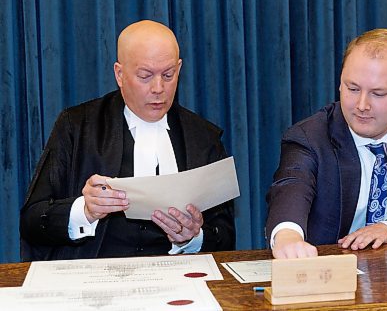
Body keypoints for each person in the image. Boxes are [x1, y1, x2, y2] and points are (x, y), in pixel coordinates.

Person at [20, 20, 235, 261]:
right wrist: (85, 210)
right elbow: (32, 219)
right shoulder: (77, 126)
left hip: (179, 279)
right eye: (145, 76)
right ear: (119, 74)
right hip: (94, 279)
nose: (158, 88)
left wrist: (192, 237)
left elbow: (225, 235)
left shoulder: (203, 136)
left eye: (168, 75)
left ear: (179, 69)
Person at [266, 28, 387, 259]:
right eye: (353, 88)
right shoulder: (310, 137)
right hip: (332, 274)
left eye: (378, 94)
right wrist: (288, 236)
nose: (361, 105)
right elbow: (291, 187)